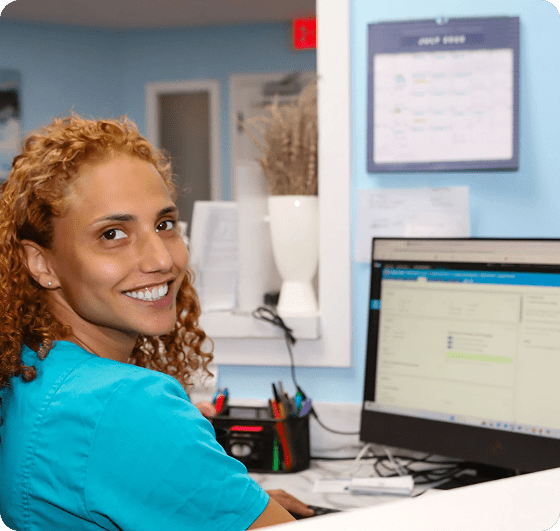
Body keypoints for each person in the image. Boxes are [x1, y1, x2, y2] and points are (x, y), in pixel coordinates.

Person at [0, 114, 312, 530]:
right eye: (113, 234)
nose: (162, 260)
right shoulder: (126, 405)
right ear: (41, 263)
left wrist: (216, 490)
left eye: (164, 225)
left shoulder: (27, 369)